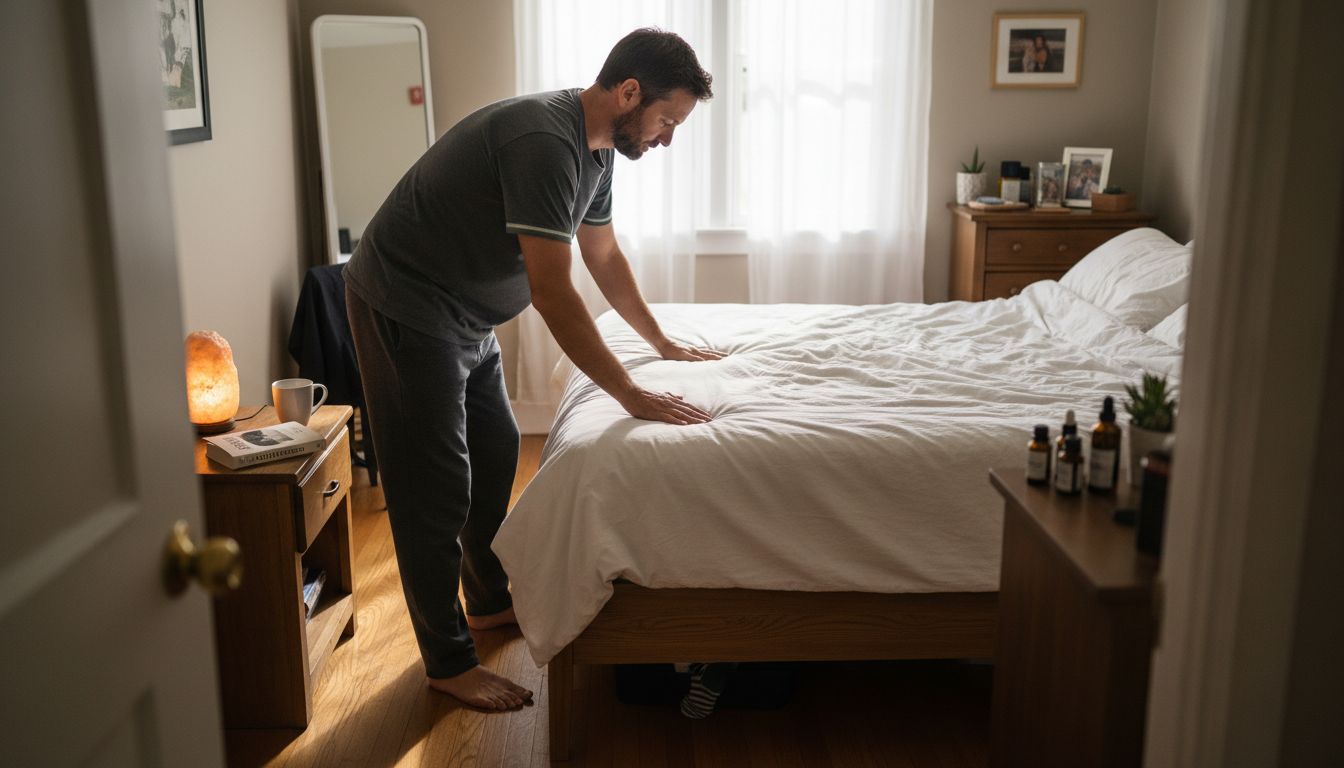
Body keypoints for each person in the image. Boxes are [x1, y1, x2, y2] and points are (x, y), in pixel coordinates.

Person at [342, 28, 719, 712]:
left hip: (469, 315)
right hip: (408, 305)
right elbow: (553, 290)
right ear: (629, 92)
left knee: (493, 456)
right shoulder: (544, 143)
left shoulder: (600, 154)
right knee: (435, 486)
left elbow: (603, 259)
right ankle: (447, 661)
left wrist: (661, 342)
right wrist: (629, 392)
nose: (666, 138)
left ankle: (487, 605)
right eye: (666, 120)